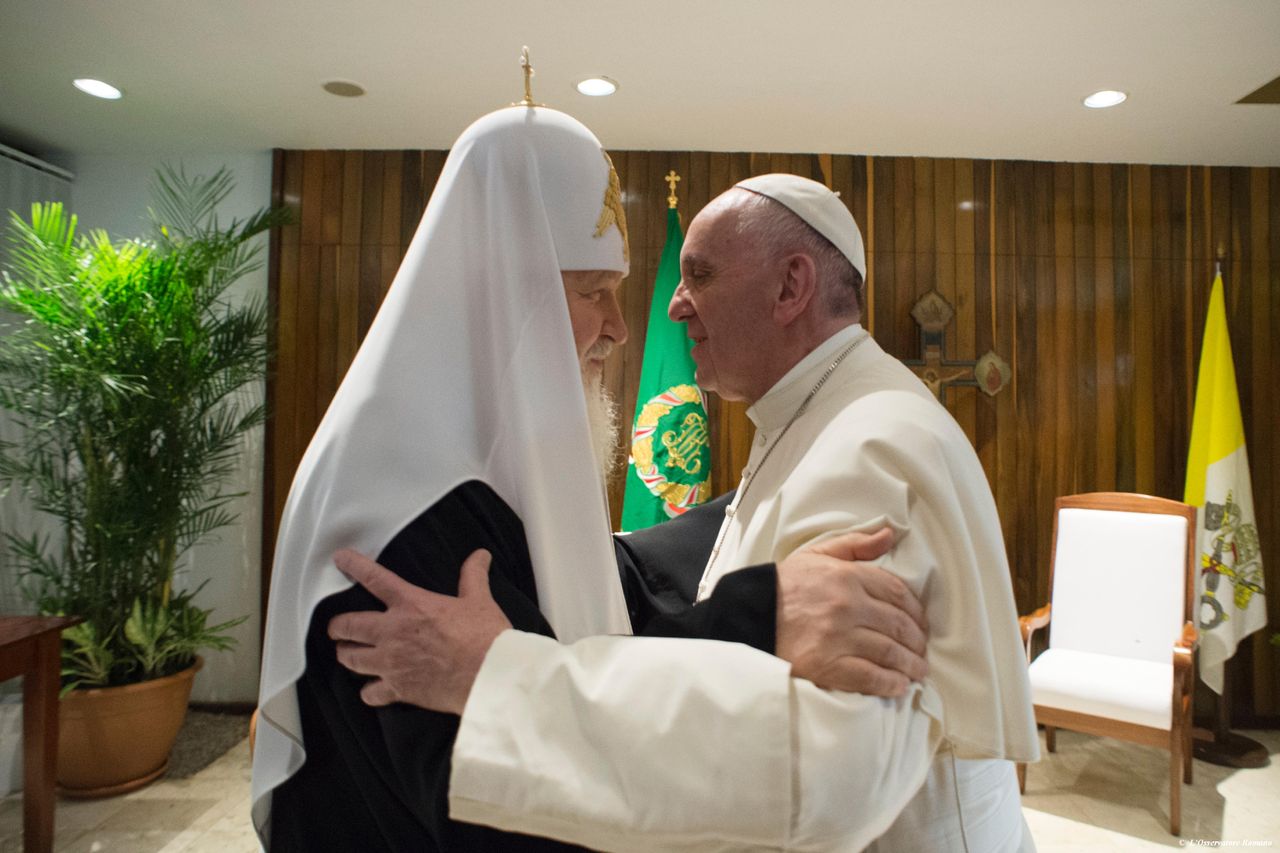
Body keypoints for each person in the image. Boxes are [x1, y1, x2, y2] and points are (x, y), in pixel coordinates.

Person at [252, 103, 929, 852]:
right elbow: (517, 808)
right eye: (591, 290)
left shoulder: (446, 457)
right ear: (500, 289)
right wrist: (764, 614)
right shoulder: (402, 516)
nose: (620, 325)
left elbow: (611, 577)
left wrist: (764, 501)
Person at [332, 175, 1041, 850]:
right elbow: (733, 535)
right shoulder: (820, 411)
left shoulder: (874, 441)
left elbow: (839, 773)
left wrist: (503, 677)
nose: (672, 304)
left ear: (791, 285)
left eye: (698, 274)